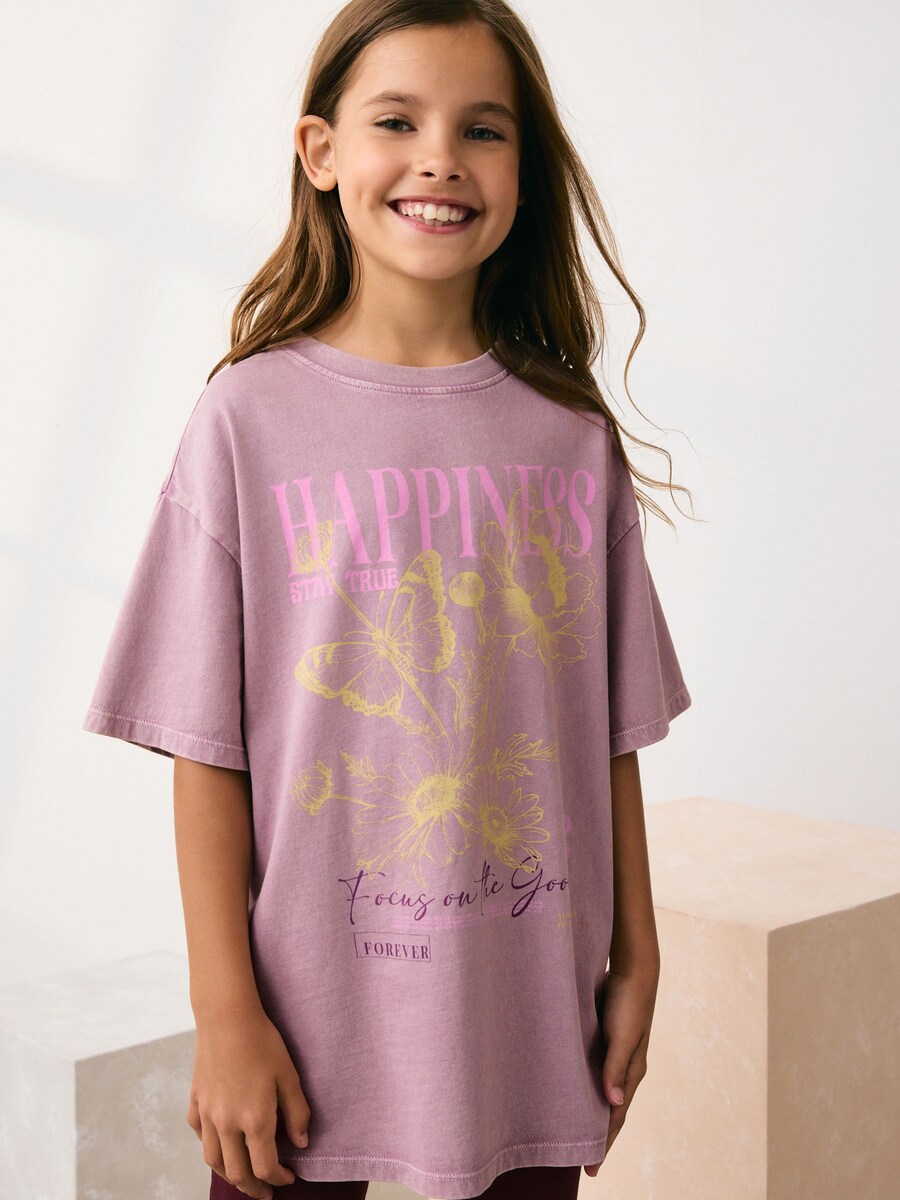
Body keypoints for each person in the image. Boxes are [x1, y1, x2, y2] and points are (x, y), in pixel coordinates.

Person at [82, 2, 696, 1198]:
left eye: (483, 130)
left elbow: (608, 734)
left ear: (524, 170)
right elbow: (205, 750)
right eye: (398, 122)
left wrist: (639, 956)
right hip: (303, 1030)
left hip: (528, 1013)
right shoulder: (247, 421)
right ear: (321, 152)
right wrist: (224, 1014)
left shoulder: (569, 437)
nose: (440, 159)